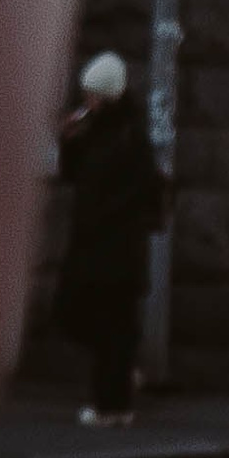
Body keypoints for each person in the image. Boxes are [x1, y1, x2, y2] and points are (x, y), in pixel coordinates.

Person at [54, 51, 164, 426]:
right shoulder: (98, 131)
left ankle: (111, 406)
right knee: (82, 319)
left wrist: (106, 218)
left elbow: (141, 191)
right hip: (95, 246)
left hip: (115, 249)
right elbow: (74, 175)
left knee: (111, 327)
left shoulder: (129, 136)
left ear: (106, 96)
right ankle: (119, 383)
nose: (86, 101)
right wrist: (69, 141)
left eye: (92, 95)